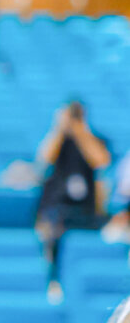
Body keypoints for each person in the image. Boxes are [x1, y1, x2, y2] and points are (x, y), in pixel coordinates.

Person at [36, 101, 111, 280]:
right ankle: (53, 278)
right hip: (58, 205)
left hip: (85, 207)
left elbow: (101, 161)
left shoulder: (93, 139)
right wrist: (59, 129)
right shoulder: (59, 141)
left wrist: (80, 132)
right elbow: (44, 159)